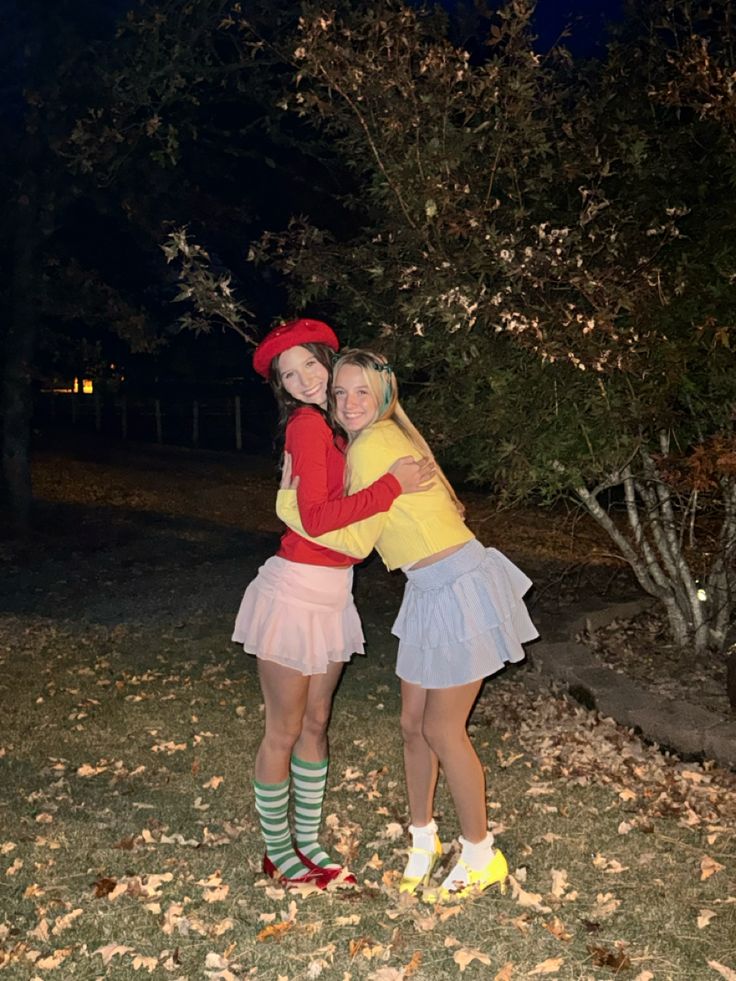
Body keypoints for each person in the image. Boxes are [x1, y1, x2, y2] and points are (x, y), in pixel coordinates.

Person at [277, 348, 538, 903]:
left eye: (361, 393)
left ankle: (480, 854)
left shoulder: (374, 444)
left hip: (457, 586)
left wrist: (287, 501)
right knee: (413, 725)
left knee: (442, 729)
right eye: (340, 393)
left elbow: (351, 540)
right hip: (428, 588)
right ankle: (424, 839)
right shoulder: (377, 440)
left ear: (384, 396)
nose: (348, 403)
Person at [232, 320, 434, 890]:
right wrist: (393, 486)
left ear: (329, 359)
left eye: (309, 367)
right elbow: (318, 520)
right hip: (295, 591)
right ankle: (279, 852)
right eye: (287, 375)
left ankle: (309, 840)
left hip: (333, 594)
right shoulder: (306, 427)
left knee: (318, 722)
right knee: (285, 727)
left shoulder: (342, 428)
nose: (301, 381)